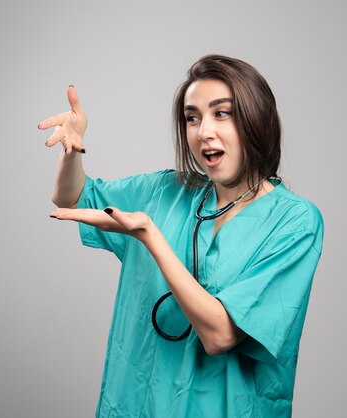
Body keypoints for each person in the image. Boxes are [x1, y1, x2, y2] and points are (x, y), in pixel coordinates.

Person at [39, 55, 324, 418]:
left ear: (257, 119)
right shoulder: (168, 191)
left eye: (222, 113)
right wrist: (71, 151)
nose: (204, 131)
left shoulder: (295, 222)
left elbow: (220, 334)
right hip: (136, 404)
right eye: (192, 117)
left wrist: (151, 237)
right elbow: (74, 197)